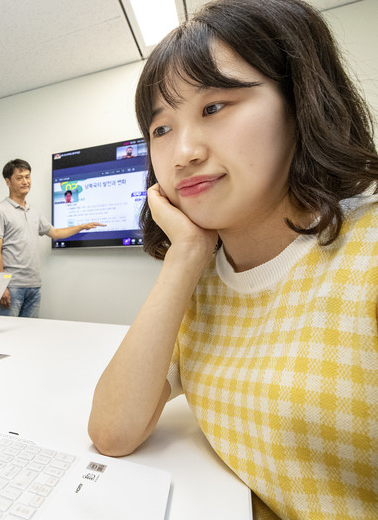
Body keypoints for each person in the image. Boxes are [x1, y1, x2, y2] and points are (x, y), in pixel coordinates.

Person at [88, 1, 378, 519]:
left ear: (300, 103)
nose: (184, 153)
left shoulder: (368, 251)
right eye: (161, 129)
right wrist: (186, 256)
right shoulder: (205, 281)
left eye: (214, 107)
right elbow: (112, 431)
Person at [0, 159, 104, 318]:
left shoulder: (34, 211)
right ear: (8, 182)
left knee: (30, 332)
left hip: (34, 286)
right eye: (19, 178)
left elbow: (55, 233)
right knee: (7, 332)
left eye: (27, 177)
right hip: (12, 286)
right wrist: (0, 286)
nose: (25, 181)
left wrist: (81, 226)